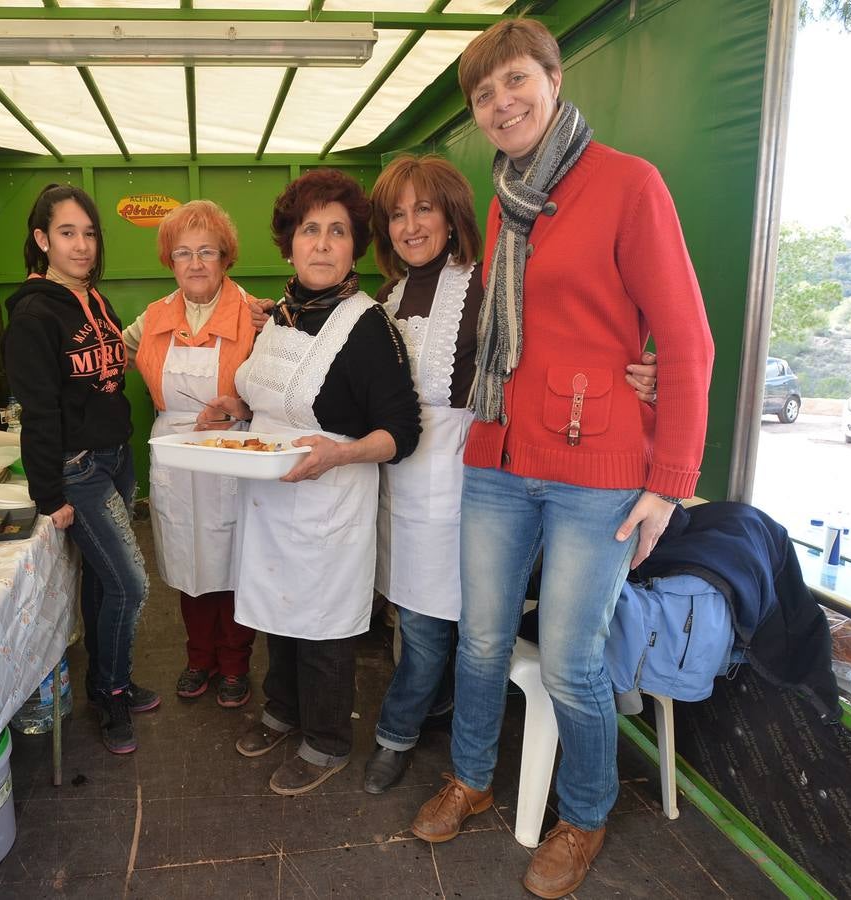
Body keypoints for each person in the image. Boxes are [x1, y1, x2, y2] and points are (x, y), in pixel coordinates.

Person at [407, 19, 714, 900]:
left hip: (600, 467)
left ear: (551, 76)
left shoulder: (626, 184)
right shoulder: (505, 198)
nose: (500, 102)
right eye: (482, 94)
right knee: (481, 641)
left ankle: (583, 816)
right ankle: (471, 779)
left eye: (514, 80)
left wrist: (668, 484)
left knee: (575, 663)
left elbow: (686, 341)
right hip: (500, 453)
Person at [364, 156, 661, 795]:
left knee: (461, 627)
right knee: (421, 621)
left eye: (424, 209)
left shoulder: (489, 281)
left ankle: (398, 733)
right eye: (396, 214)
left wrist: (643, 371)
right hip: (406, 484)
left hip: (480, 473)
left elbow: (565, 333)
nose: (411, 226)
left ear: (454, 213)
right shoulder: (382, 299)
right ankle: (435, 735)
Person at [199, 169, 421, 797]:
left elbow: (401, 433)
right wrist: (233, 408)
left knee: (322, 625)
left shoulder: (371, 328)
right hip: (271, 500)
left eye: (338, 232)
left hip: (329, 500)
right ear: (290, 243)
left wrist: (340, 455)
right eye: (310, 230)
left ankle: (325, 740)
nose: (322, 244)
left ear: (355, 246)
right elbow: (267, 399)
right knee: (277, 611)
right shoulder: (281, 314)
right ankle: (282, 709)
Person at [2, 184, 159, 757]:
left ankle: (104, 681)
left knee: (102, 581)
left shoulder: (95, 300)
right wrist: (49, 493)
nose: (82, 244)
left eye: (90, 233)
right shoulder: (34, 315)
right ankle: (113, 690)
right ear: (42, 239)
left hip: (117, 456)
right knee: (131, 583)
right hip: (78, 469)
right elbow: (37, 411)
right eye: (68, 233)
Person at [124, 200, 269, 709]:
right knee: (187, 561)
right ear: (170, 261)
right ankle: (198, 659)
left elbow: (278, 390)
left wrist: (243, 404)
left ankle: (235, 664)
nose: (195, 263)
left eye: (207, 251)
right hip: (174, 454)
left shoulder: (255, 316)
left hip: (232, 448)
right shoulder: (152, 319)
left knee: (231, 560)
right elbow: (110, 354)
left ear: (225, 257)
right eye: (183, 253)